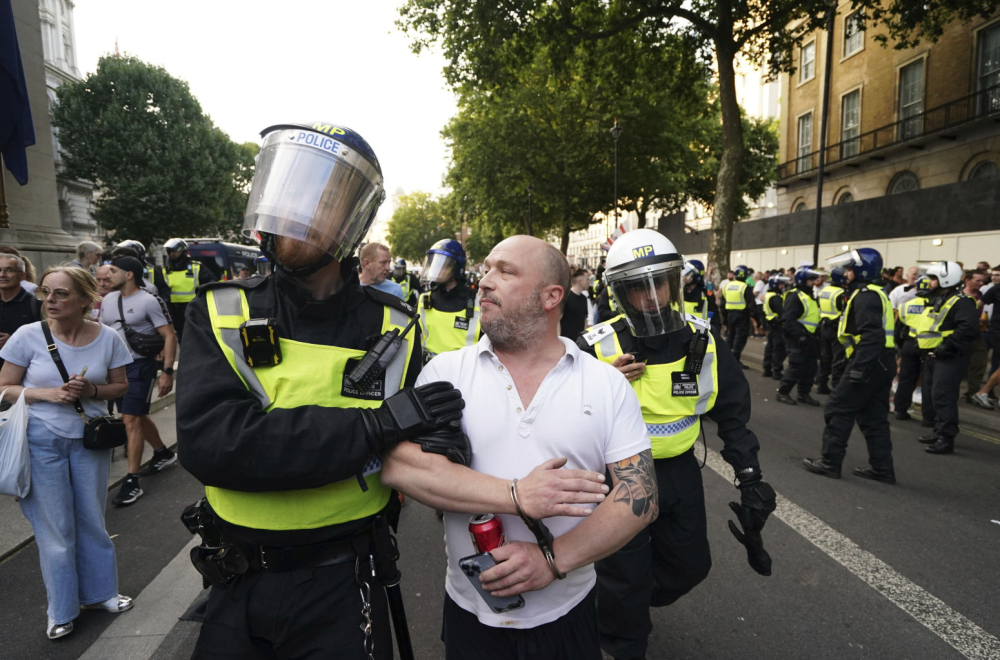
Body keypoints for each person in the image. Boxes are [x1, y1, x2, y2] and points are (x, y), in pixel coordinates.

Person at [175, 122, 602, 659]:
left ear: (350, 222)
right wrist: (374, 427)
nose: (295, 213)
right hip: (238, 580)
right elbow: (215, 445)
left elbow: (419, 444)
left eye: (318, 201)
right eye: (289, 191)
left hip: (347, 576)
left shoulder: (395, 324)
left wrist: (446, 444)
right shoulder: (219, 309)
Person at [385, 235, 657, 660]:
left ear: (551, 296)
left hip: (568, 614)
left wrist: (552, 560)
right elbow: (401, 469)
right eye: (487, 268)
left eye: (505, 271)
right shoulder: (444, 373)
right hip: (469, 614)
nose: (484, 281)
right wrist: (516, 494)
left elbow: (640, 496)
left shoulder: (605, 383)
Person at [574, 229, 775, 660]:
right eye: (636, 287)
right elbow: (558, 408)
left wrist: (750, 476)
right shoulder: (595, 346)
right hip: (619, 478)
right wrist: (599, 379)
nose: (650, 296)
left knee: (690, 566)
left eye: (658, 283)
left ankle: (611, 604)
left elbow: (732, 412)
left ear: (674, 282)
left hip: (680, 472)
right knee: (625, 582)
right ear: (619, 293)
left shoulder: (702, 339)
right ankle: (622, 634)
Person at [0, 266, 133, 640]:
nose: (50, 301)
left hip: (90, 439)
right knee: (54, 528)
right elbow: (5, 387)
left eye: (60, 294)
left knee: (91, 519)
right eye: (46, 293)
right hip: (40, 437)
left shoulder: (108, 338)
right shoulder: (28, 336)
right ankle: (60, 610)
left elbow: (119, 385)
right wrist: (49, 394)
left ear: (86, 299)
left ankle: (102, 593)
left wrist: (91, 390)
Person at [804, 249, 898, 483]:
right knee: (873, 417)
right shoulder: (873, 293)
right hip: (881, 362)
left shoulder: (865, 296)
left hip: (868, 361)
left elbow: (872, 336)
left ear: (861, 270)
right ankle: (882, 468)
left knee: (838, 409)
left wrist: (859, 367)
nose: (845, 274)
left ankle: (830, 463)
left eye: (849, 269)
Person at [100, 256, 178, 506]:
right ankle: (162, 452)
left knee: (131, 419)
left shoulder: (148, 300)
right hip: (113, 369)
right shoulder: (109, 300)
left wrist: (167, 371)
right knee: (135, 415)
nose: (108, 276)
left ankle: (131, 480)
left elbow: (169, 335)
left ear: (129, 274)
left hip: (139, 367)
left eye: (113, 271)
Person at [917, 261, 979, 454]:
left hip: (950, 356)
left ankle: (946, 438)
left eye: (934, 279)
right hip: (934, 355)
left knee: (943, 396)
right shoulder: (939, 298)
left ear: (946, 279)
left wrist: (947, 345)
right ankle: (939, 430)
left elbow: (968, 328)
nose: (930, 282)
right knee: (933, 396)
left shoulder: (962, 301)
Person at [416, 239, 480, 361]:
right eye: (434, 265)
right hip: (429, 367)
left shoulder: (476, 300)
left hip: (464, 369)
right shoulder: (425, 299)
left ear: (457, 268)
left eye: (443, 266)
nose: (437, 270)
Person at [776, 266, 823, 406]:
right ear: (804, 281)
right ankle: (782, 392)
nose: (814, 283)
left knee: (810, 367)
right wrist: (800, 335)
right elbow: (788, 319)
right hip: (797, 338)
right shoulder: (795, 296)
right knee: (796, 366)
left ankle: (804, 394)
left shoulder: (809, 296)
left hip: (810, 338)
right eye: (811, 280)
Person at [161, 238, 215, 342]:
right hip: (174, 308)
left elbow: (210, 282)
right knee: (181, 335)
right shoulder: (166, 270)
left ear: (182, 251)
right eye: (170, 251)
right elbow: (163, 289)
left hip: (193, 306)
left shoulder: (196, 267)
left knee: (196, 333)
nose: (172, 254)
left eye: (175, 251)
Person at [894, 277, 932, 422]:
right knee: (928, 381)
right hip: (928, 345)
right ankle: (928, 418)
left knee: (906, 378)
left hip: (909, 344)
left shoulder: (907, 305)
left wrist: (902, 345)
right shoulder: (935, 305)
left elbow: (899, 328)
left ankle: (900, 410)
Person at [0, 253, 41, 369]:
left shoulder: (36, 305)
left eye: (9, 270)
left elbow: (46, 339)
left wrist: (13, 341)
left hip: (20, 372)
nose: (2, 275)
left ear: (23, 275)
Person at [815, 267, 847, 395]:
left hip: (824, 326)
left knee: (825, 358)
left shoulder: (824, 291)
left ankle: (821, 384)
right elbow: (845, 312)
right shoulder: (842, 293)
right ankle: (836, 387)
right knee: (838, 358)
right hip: (836, 328)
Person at [960, 269, 988, 402]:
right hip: (960, 336)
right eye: (978, 280)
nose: (981, 283)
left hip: (977, 335)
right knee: (959, 365)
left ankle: (973, 393)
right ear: (967, 280)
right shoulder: (958, 295)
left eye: (982, 280)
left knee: (979, 364)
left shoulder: (981, 296)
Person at [719, 265, 755, 367]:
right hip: (742, 315)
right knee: (740, 337)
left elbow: (722, 303)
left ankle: (723, 355)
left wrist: (725, 317)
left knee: (731, 335)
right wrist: (753, 316)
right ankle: (735, 359)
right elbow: (751, 303)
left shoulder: (727, 285)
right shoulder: (745, 287)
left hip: (730, 314)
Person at [682, 259, 721, 336]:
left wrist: (715, 338)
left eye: (687, 274)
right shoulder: (678, 294)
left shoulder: (707, 295)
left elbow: (715, 320)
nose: (684, 276)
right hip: (680, 336)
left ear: (696, 275)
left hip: (699, 337)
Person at [762, 274, 789, 380]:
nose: (783, 287)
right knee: (779, 348)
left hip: (771, 324)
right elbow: (782, 312)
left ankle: (767, 368)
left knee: (770, 347)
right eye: (781, 284)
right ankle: (777, 371)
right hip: (778, 325)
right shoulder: (776, 298)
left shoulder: (768, 295)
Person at [560, 268, 590, 340]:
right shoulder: (565, 297)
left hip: (579, 341)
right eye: (587, 279)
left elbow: (584, 320)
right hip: (566, 341)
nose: (589, 282)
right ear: (580, 281)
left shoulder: (584, 298)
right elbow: (557, 320)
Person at [752, 271, 767, 337]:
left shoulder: (759, 283)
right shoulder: (758, 283)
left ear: (755, 277)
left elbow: (755, 293)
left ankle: (762, 331)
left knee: (760, 318)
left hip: (759, 303)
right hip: (757, 302)